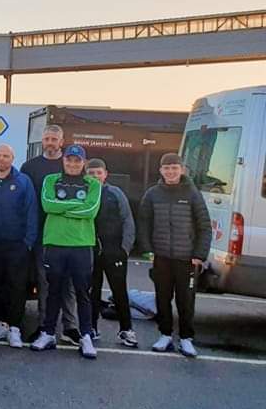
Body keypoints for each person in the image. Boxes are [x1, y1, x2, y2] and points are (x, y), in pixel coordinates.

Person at [30, 145, 101, 359]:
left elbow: (91, 210)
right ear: (64, 161)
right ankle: (48, 332)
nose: (72, 164)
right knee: (54, 291)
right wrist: (75, 206)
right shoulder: (51, 180)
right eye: (69, 160)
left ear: (83, 163)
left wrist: (64, 207)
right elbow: (48, 205)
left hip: (81, 245)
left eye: (77, 161)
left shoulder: (93, 184)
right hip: (54, 243)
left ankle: (86, 336)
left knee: (82, 293)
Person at [138, 153, 211, 358]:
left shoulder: (193, 194)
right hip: (161, 257)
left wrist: (199, 254)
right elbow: (143, 222)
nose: (170, 172)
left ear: (182, 170)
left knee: (185, 300)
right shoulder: (152, 194)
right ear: (161, 171)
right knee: (162, 298)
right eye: (167, 168)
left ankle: (186, 339)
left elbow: (204, 226)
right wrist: (147, 248)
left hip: (187, 258)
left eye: (174, 168)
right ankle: (165, 335)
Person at [20, 125, 79, 344]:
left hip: (69, 236)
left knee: (69, 284)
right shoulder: (29, 167)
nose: (50, 142)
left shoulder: (72, 166)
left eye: (54, 138)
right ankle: (46, 327)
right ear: (42, 141)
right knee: (44, 283)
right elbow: (26, 202)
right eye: (47, 138)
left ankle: (71, 327)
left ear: (62, 141)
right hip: (41, 236)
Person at [0, 144, 37, 349]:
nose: (1, 159)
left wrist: (28, 242)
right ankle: (1, 323)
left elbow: (31, 212)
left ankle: (14, 328)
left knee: (17, 287)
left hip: (17, 244)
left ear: (12, 158)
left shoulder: (23, 181)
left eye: (6, 156)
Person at [85, 158, 137, 348]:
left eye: (98, 173)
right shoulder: (84, 193)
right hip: (90, 250)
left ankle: (126, 330)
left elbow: (128, 220)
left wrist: (125, 249)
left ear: (105, 174)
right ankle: (91, 327)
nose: (95, 176)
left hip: (114, 251)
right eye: (91, 173)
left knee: (119, 291)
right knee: (92, 291)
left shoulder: (115, 193)